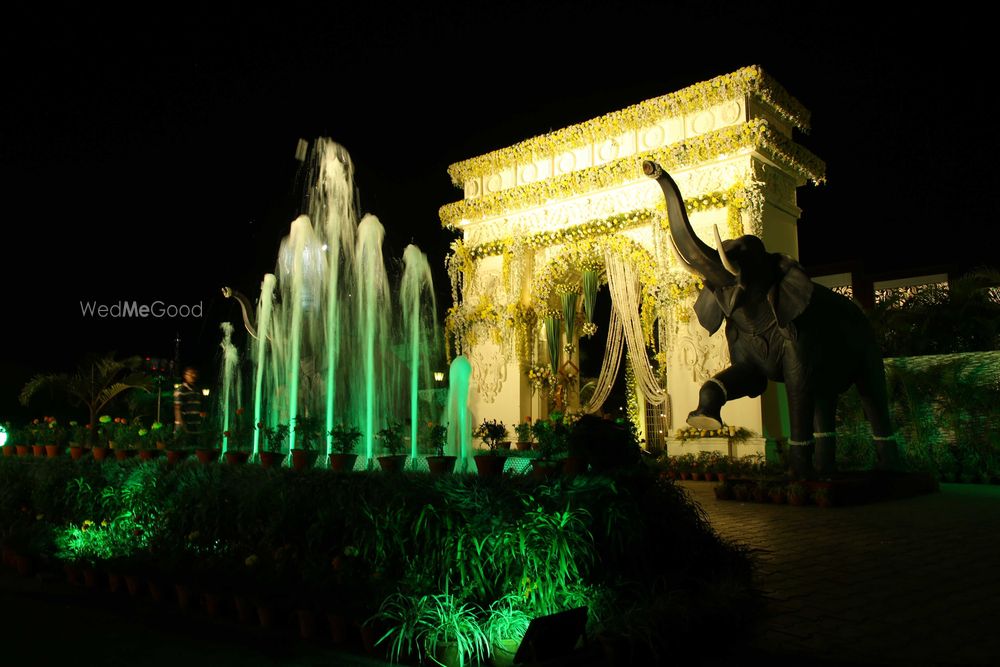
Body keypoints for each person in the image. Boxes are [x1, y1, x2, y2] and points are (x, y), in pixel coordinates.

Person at [173, 366, 203, 434]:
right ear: (185, 376)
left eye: (194, 373)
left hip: (195, 426)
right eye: (190, 373)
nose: (193, 375)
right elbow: (177, 410)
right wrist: (183, 427)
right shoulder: (180, 390)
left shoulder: (197, 390)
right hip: (183, 428)